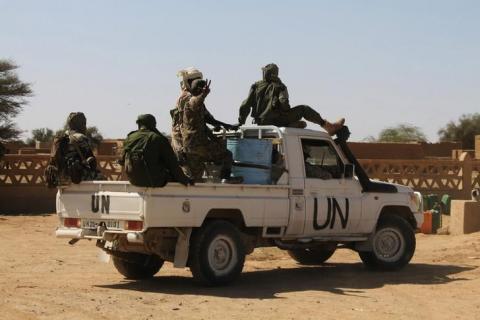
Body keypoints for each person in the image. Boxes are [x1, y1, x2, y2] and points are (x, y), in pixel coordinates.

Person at [238, 63, 344, 135]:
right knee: (304, 109)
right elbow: (284, 103)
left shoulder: (255, 86)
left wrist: (240, 122)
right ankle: (328, 127)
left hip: (259, 123)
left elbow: (245, 105)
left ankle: (290, 124)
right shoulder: (280, 86)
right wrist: (285, 109)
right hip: (276, 121)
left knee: (301, 123)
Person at [175, 76, 241, 182]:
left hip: (190, 147)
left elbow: (209, 120)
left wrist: (227, 125)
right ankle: (225, 177)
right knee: (227, 155)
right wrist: (204, 94)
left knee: (197, 178)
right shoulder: (191, 102)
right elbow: (196, 102)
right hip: (199, 144)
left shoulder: (198, 106)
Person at [171, 67, 238, 162]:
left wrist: (224, 125)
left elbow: (206, 118)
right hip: (187, 144)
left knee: (196, 174)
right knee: (226, 155)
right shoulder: (188, 98)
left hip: (187, 144)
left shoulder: (190, 97)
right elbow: (181, 124)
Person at [121, 114, 193, 187]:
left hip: (134, 181)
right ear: (153, 124)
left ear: (139, 124)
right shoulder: (158, 138)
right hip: (155, 181)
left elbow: (122, 161)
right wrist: (185, 180)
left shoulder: (130, 137)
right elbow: (172, 164)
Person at [44, 112, 103, 188]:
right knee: (101, 177)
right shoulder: (81, 137)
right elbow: (92, 164)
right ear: (80, 124)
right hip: (76, 178)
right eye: (83, 123)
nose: (85, 126)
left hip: (60, 180)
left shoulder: (61, 137)